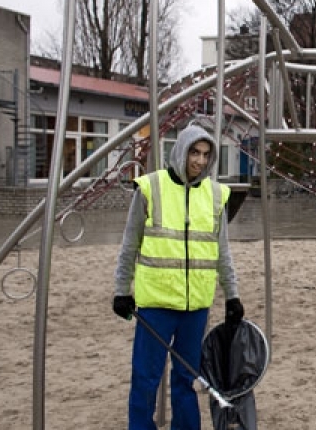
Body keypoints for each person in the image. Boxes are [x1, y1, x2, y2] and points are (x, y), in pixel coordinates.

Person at [112, 124, 244, 430]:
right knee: (145, 379)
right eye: (194, 152)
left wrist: (232, 295)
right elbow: (129, 244)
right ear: (181, 150)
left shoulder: (215, 195)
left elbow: (222, 251)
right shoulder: (151, 187)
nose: (199, 161)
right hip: (155, 305)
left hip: (195, 307)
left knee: (187, 380)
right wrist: (121, 289)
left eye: (206, 155)